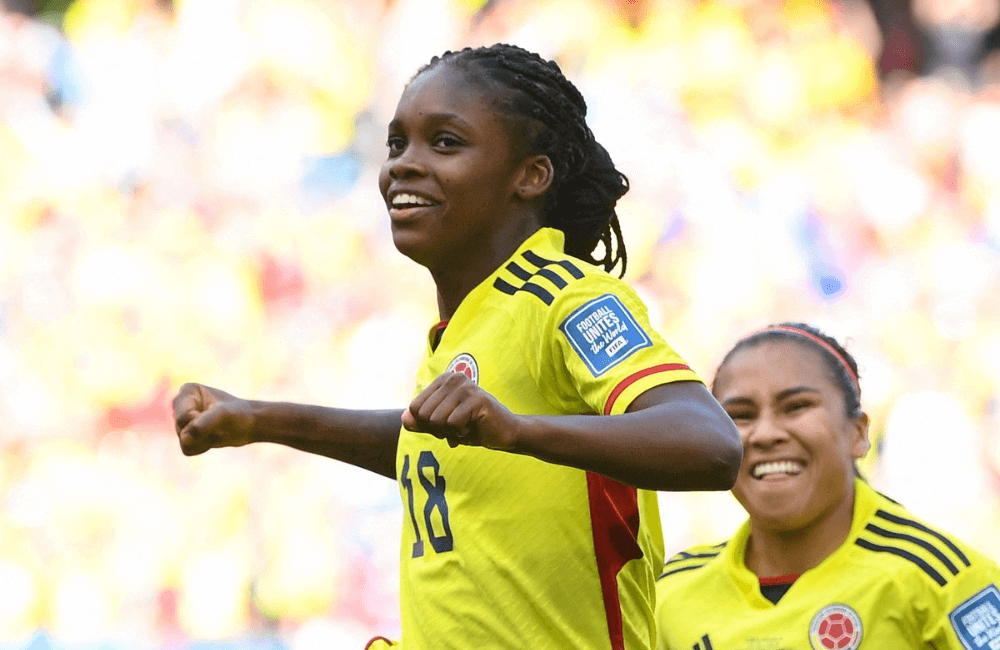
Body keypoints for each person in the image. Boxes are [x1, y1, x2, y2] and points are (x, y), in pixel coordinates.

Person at [171, 43, 743, 650]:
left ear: (531, 175)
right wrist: (260, 420)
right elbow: (436, 446)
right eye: (397, 144)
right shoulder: (467, 325)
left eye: (445, 143)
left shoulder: (563, 296)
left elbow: (709, 443)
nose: (404, 166)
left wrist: (519, 431)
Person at [654, 322, 1000, 650]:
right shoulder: (671, 592)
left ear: (858, 433)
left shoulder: (942, 579)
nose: (766, 434)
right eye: (741, 415)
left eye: (796, 407)